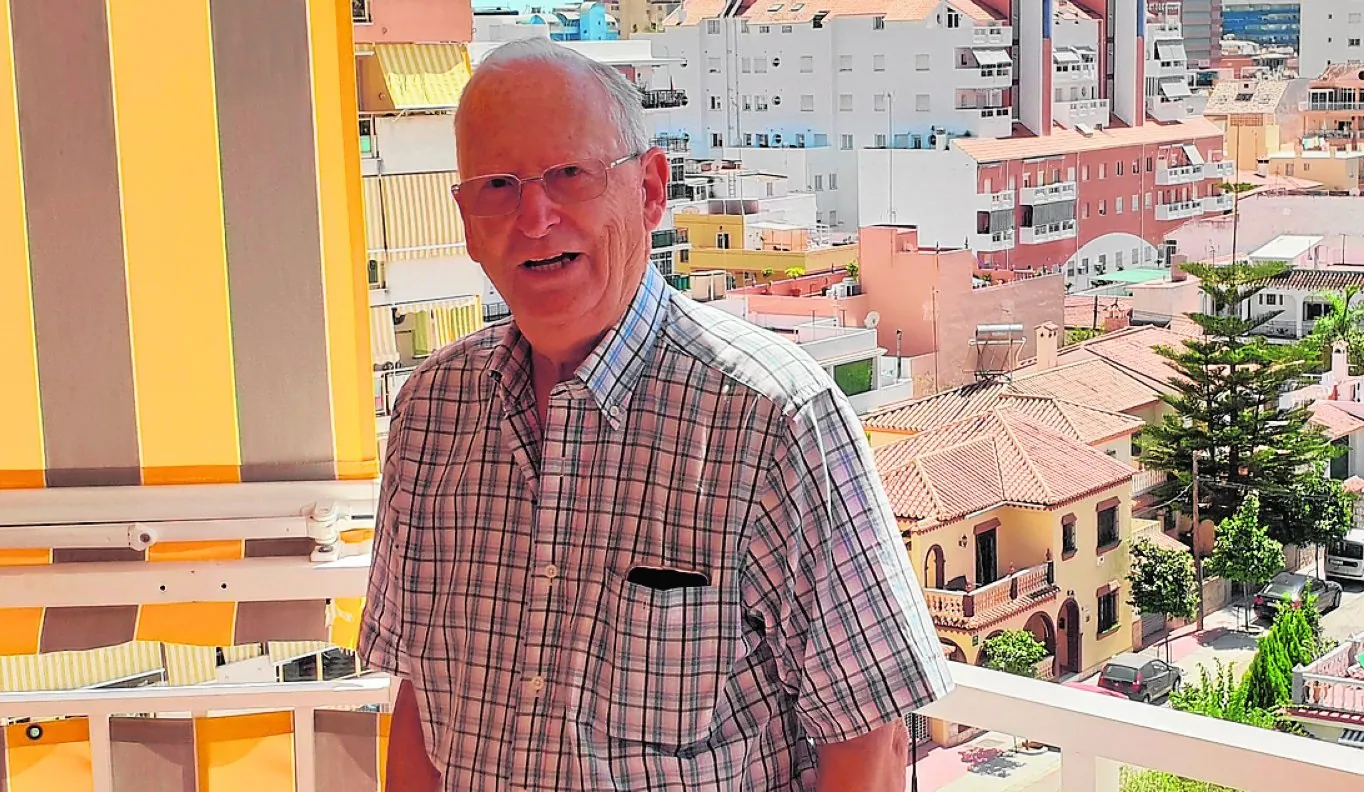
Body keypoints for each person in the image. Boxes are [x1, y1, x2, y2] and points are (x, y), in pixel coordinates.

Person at [359, 37, 952, 792]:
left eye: (568, 175)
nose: (534, 217)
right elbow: (419, 704)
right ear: (467, 222)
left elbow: (868, 743)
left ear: (649, 190)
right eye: (498, 186)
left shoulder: (772, 422)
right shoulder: (429, 414)